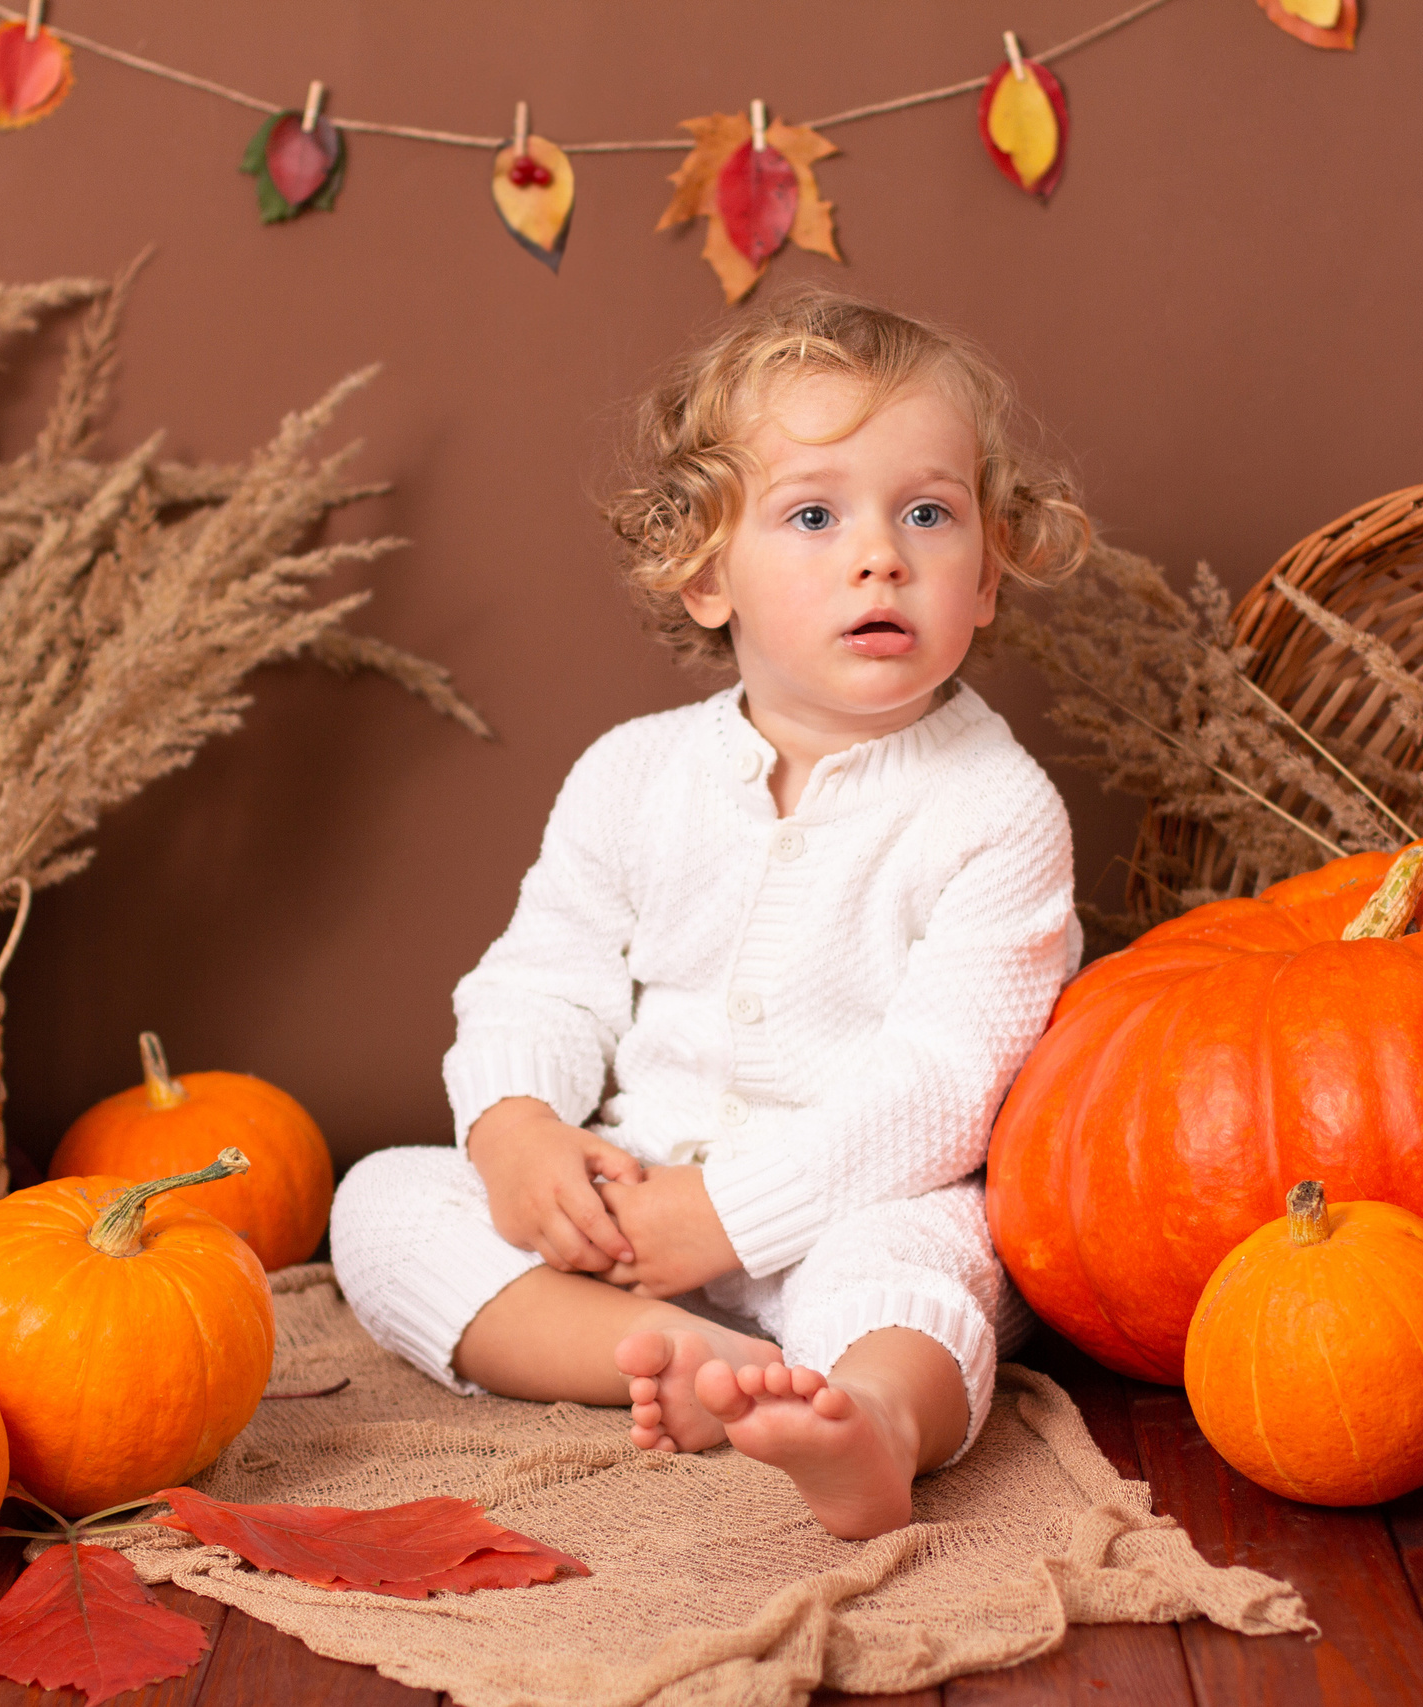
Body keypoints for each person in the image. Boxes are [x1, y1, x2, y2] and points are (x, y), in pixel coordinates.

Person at [330, 288, 1092, 1539]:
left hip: (859, 1200)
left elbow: (941, 1084)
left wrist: (734, 1216)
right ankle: (666, 1359)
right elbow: (545, 974)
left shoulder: (998, 812)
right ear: (702, 577)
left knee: (931, 1275)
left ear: (989, 576)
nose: (879, 555)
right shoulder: (633, 773)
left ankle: (872, 1425)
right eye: (812, 514)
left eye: (927, 513)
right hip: (636, 1205)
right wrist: (516, 1129)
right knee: (384, 1202)